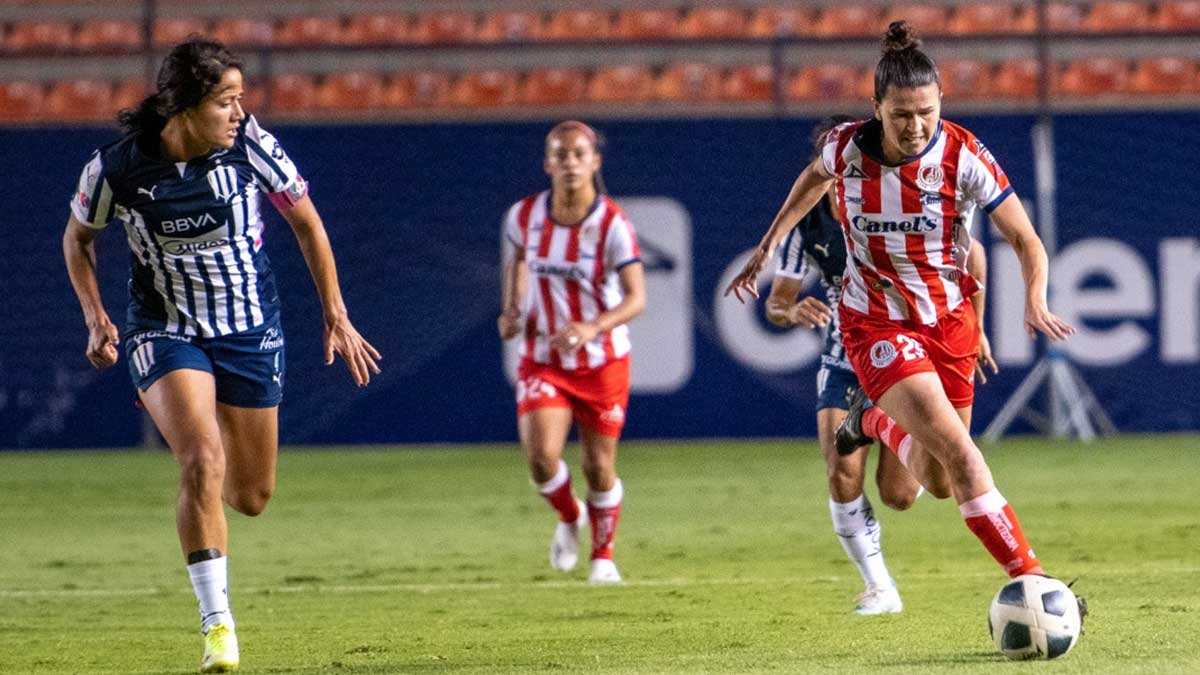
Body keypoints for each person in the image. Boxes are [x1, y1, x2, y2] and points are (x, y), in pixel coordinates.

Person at [62, 37, 380, 673]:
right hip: (164, 326)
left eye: (241, 100)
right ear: (183, 106)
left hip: (249, 329)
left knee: (252, 494)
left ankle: (204, 494)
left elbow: (307, 222)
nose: (239, 112)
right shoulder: (116, 170)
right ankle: (218, 628)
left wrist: (335, 313)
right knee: (202, 458)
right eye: (226, 101)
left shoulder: (250, 147)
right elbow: (78, 239)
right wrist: (96, 316)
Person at [728, 21, 1074, 583]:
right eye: (901, 115)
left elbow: (1025, 239)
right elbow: (811, 181)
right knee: (964, 457)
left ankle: (872, 423)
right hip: (877, 325)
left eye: (926, 113)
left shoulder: (964, 155)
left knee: (935, 484)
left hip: (949, 322)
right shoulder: (845, 147)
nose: (915, 128)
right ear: (876, 108)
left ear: (941, 103)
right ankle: (1032, 580)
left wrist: (1034, 298)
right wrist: (768, 246)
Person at [766, 116, 996, 614]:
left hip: (906, 354)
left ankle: (869, 419)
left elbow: (972, 256)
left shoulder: (894, 194)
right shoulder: (806, 222)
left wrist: (974, 328)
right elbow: (776, 302)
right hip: (844, 355)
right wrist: (791, 309)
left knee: (902, 494)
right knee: (842, 472)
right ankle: (879, 586)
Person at [498, 120, 645, 584]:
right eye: (560, 155)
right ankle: (568, 516)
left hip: (602, 362)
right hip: (542, 356)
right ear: (547, 163)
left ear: (595, 162)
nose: (570, 163)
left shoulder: (612, 224)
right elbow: (518, 259)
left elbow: (636, 298)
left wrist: (591, 326)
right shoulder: (523, 216)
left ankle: (603, 557)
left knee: (598, 465)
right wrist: (511, 309)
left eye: (579, 154)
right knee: (541, 457)